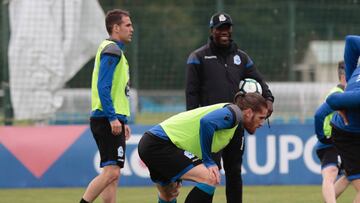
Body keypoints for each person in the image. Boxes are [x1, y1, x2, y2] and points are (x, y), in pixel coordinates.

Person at [185, 12, 274, 203]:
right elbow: (191, 94)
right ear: (212, 31)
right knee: (210, 173)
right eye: (220, 29)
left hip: (236, 125)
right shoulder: (198, 57)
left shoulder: (241, 57)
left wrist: (269, 99)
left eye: (227, 28)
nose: (224, 32)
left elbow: (259, 81)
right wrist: (192, 121)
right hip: (212, 125)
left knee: (235, 172)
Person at [138, 92, 268, 203]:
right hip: (160, 143)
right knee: (209, 177)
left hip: (152, 142)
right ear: (249, 112)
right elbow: (207, 122)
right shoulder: (235, 113)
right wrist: (208, 161)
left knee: (169, 193)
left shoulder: (233, 121)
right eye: (261, 117)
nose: (262, 123)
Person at [80, 9, 133, 203]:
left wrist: (122, 119)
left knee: (113, 174)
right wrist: (112, 117)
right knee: (111, 173)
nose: (131, 29)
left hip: (110, 117)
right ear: (116, 27)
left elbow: (117, 91)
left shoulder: (112, 49)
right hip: (106, 118)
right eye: (127, 25)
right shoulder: (112, 50)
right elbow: (104, 87)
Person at [326, 35, 360, 202]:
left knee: (348, 177)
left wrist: (351, 73)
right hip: (349, 135)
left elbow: (352, 41)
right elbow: (332, 100)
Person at [314, 61, 350, 203]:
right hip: (331, 140)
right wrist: (322, 136)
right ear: (344, 75)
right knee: (331, 173)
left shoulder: (346, 93)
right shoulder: (338, 94)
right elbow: (319, 115)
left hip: (341, 141)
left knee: (350, 174)